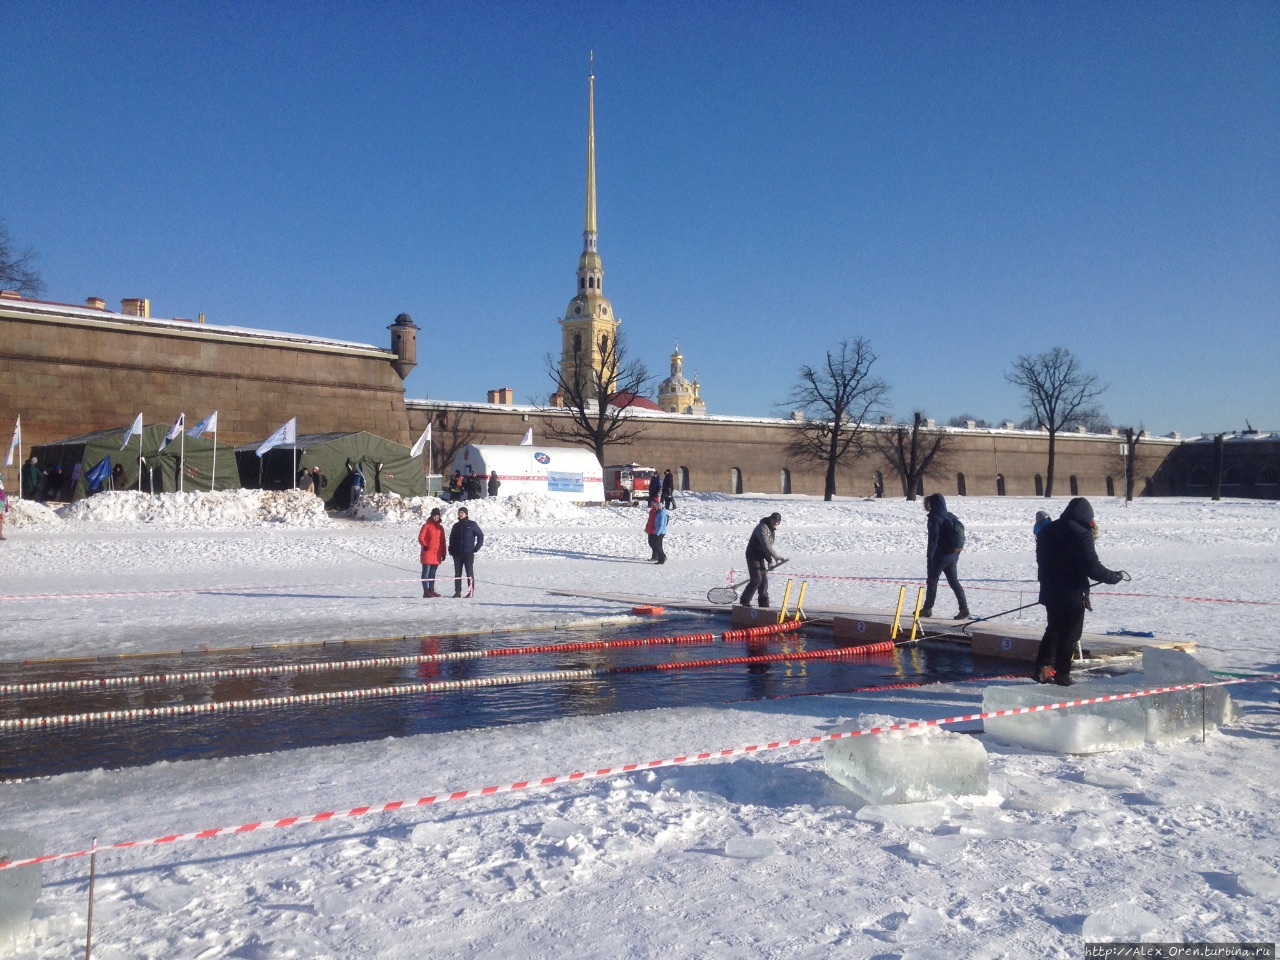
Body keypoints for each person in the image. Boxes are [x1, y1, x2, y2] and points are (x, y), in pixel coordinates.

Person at [1033, 497, 1127, 686]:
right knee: (1070, 635)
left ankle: (1042, 668)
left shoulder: (1048, 530)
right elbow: (1092, 567)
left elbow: (1041, 561)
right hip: (1072, 592)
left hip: (1050, 589)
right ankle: (1062, 675)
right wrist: (1114, 577)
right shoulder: (1081, 533)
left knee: (1053, 629)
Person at [920, 493, 970, 620]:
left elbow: (933, 540)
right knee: (954, 582)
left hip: (940, 556)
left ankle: (927, 609)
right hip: (952, 555)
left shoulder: (935, 518)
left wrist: (930, 556)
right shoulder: (950, 516)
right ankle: (964, 609)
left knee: (932, 581)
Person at [739, 512, 786, 608]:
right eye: (774, 521)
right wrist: (775, 556)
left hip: (761, 556)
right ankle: (745, 600)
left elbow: (767, 548)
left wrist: (769, 561)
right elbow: (765, 544)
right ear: (770, 519)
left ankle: (763, 601)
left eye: (778, 522)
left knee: (764, 580)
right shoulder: (762, 528)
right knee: (757, 579)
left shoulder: (772, 531)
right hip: (753, 555)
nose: (775, 523)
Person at [448, 506, 484, 598]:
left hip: (468, 553)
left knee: (469, 573)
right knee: (457, 573)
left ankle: (470, 591)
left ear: (466, 514)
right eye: (459, 512)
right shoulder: (456, 526)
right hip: (457, 553)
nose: (460, 514)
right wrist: (450, 549)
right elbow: (451, 538)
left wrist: (477, 547)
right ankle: (457, 592)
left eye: (462, 513)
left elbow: (480, 535)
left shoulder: (472, 524)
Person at [417, 507, 448, 598]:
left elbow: (443, 541)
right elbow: (421, 537)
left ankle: (431, 590)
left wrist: (443, 553)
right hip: (427, 553)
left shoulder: (440, 528)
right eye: (434, 516)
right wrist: (425, 546)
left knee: (432, 573)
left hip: (437, 554)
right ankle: (426, 591)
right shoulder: (426, 526)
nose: (435, 518)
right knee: (426, 572)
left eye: (437, 516)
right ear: (431, 516)